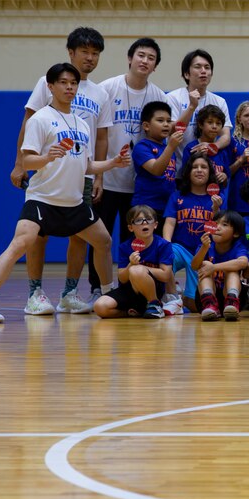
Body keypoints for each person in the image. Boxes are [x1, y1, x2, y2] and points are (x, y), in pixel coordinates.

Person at [0, 64, 129, 324]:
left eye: (73, 83)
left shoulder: (82, 124)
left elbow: (86, 165)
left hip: (74, 202)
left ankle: (108, 297)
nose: (69, 87)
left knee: (103, 241)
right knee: (20, 244)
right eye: (63, 82)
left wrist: (113, 163)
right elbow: (28, 161)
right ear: (50, 86)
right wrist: (47, 157)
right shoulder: (40, 119)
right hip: (42, 200)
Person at [11, 27, 110, 316]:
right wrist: (19, 163)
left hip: (81, 174)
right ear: (71, 52)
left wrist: (99, 175)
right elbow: (28, 121)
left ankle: (69, 293)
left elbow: (101, 137)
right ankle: (35, 293)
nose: (90, 58)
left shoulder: (100, 93)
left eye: (95, 53)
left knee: (81, 235)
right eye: (84, 52)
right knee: (37, 234)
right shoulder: (49, 82)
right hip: (48, 172)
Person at [93, 37, 167, 304]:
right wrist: (98, 176)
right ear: (130, 58)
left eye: (151, 58)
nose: (145, 61)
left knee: (133, 241)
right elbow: (98, 135)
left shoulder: (158, 96)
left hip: (139, 187)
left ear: (155, 66)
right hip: (107, 179)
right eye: (141, 55)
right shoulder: (107, 88)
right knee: (101, 238)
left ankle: (133, 291)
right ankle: (97, 287)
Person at [162, 154, 222, 314]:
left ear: (210, 172)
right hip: (180, 247)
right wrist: (166, 245)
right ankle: (173, 298)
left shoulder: (217, 198)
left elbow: (220, 228)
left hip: (203, 252)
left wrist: (216, 210)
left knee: (196, 305)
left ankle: (185, 298)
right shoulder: (177, 196)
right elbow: (169, 223)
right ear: (188, 172)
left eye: (204, 167)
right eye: (195, 167)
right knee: (165, 256)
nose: (199, 170)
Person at [92, 205, 173, 319]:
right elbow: (122, 278)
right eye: (139, 220)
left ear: (155, 225)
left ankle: (155, 304)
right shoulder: (125, 247)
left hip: (152, 290)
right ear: (130, 227)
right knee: (100, 307)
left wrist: (142, 268)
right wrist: (130, 265)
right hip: (128, 291)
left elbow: (166, 275)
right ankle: (133, 312)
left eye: (149, 219)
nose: (144, 223)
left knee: (136, 270)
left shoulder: (163, 245)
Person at [165, 49, 232, 150]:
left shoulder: (219, 101)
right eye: (198, 67)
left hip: (206, 158)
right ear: (186, 74)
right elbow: (169, 131)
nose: (203, 71)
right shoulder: (173, 98)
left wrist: (212, 147)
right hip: (178, 159)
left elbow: (225, 136)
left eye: (207, 67)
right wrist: (191, 107)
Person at [192, 210, 249, 321]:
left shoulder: (238, 247)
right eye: (216, 223)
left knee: (232, 271)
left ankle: (231, 301)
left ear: (236, 233)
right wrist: (204, 248)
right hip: (205, 298)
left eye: (224, 224)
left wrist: (214, 267)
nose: (217, 227)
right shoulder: (205, 246)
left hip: (234, 296)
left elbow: (243, 262)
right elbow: (194, 265)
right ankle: (209, 303)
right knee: (205, 265)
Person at [132, 101, 184, 223]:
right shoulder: (142, 147)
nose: (166, 124)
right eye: (160, 120)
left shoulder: (168, 148)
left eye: (169, 121)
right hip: (146, 207)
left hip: (167, 207)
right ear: (146, 126)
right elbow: (156, 170)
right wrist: (171, 146)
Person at [180, 104, 233, 184]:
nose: (214, 126)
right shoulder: (191, 148)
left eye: (218, 123)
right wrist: (197, 157)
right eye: (210, 122)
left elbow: (226, 177)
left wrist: (224, 176)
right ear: (201, 124)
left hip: (217, 191)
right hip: (196, 191)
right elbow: (184, 175)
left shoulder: (222, 150)